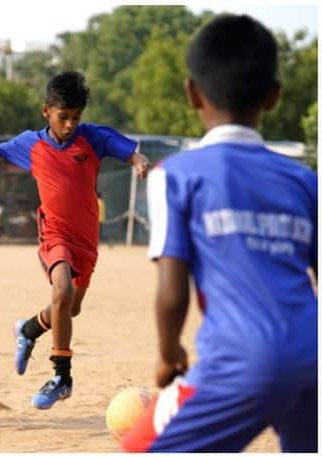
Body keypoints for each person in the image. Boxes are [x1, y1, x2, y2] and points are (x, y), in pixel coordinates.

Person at [122, 15, 317, 452]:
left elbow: (173, 292)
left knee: (139, 447)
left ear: (192, 92)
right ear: (274, 95)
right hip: (315, 357)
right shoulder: (305, 180)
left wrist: (168, 355)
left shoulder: (177, 176)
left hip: (241, 362)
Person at [0, 71, 151, 409]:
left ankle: (28, 330)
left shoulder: (92, 138)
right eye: (63, 117)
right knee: (62, 292)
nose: (69, 124)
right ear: (45, 112)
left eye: (75, 117)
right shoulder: (31, 144)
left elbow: (128, 151)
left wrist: (139, 161)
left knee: (70, 308)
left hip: (87, 239)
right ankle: (61, 377)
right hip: (55, 234)